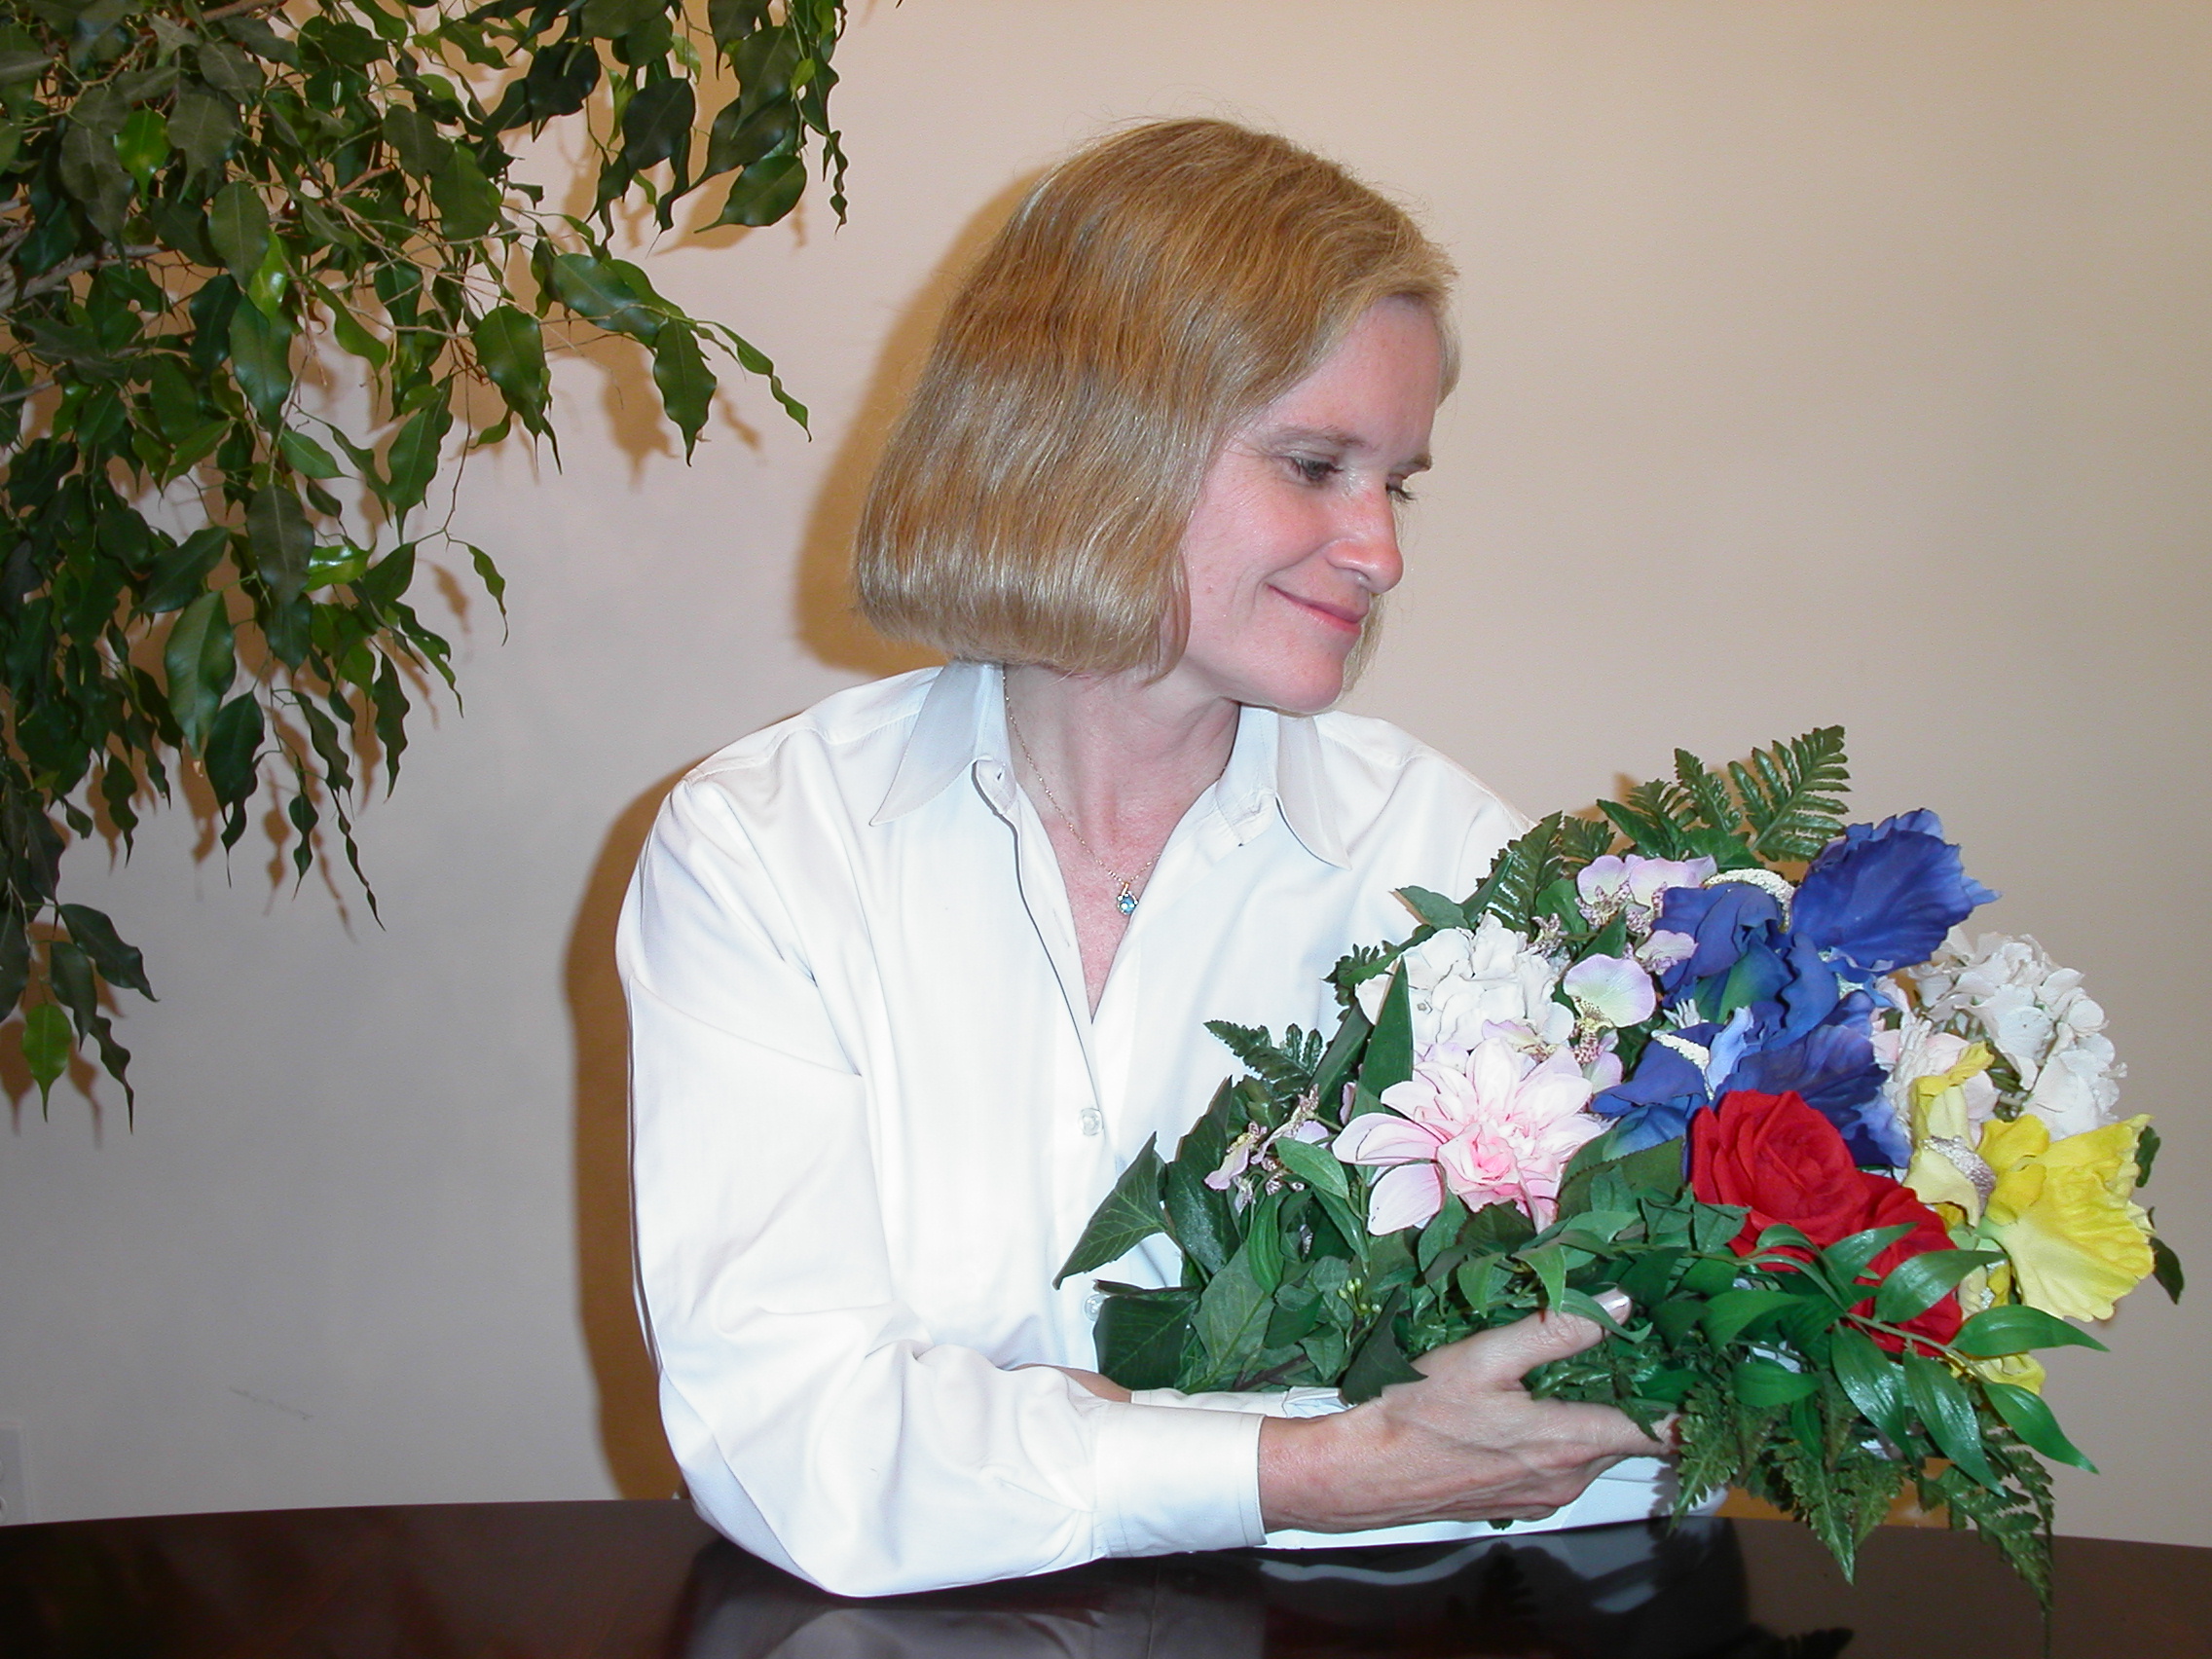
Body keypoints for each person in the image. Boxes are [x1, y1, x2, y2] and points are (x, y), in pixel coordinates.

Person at [618, 119, 1667, 1600]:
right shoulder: (770, 851)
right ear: (1092, 442)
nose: (1381, 552)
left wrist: (1032, 1444)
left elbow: (1627, 1435)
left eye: (1399, 482)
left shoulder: (1446, 863)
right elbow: (793, 1444)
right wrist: (1316, 1465)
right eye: (1316, 464)